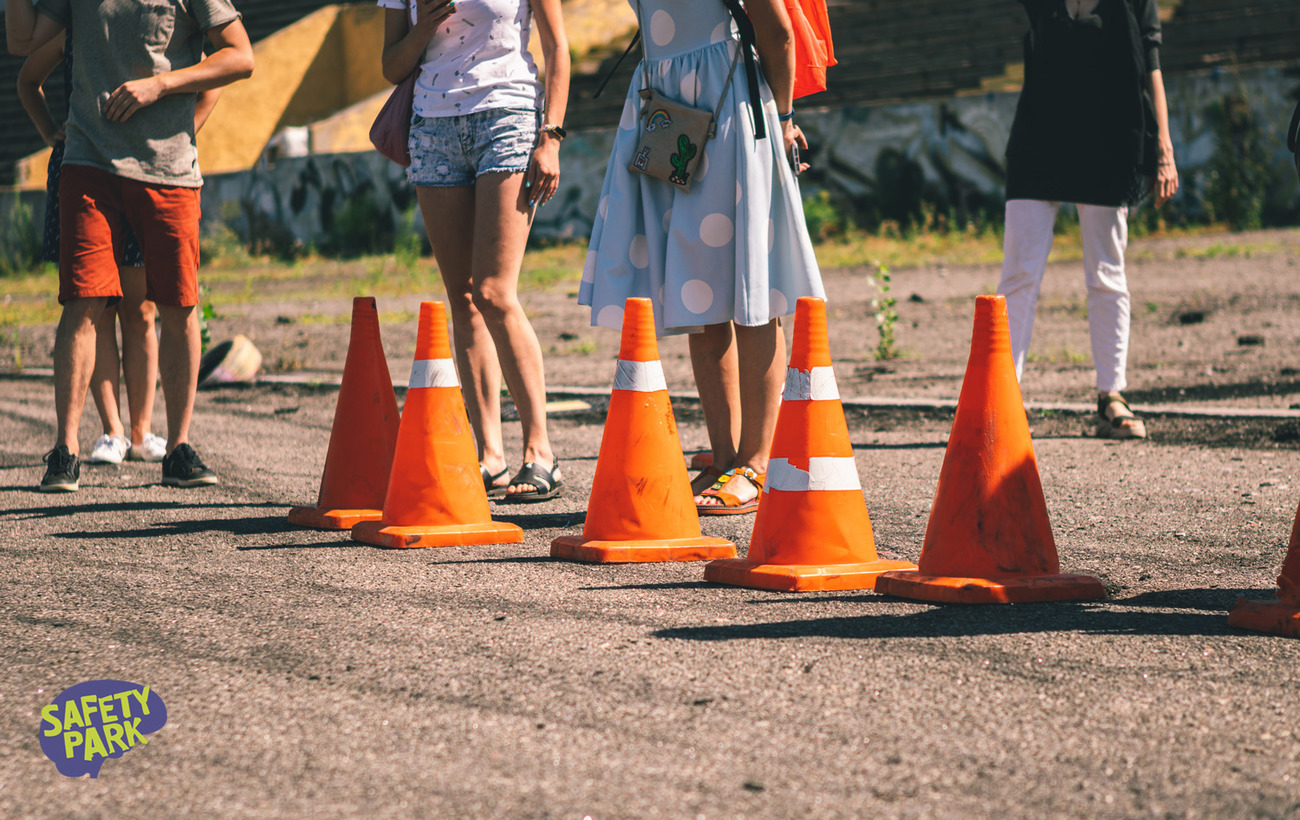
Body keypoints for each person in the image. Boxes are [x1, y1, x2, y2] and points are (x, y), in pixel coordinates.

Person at [580, 0, 823, 514]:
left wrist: (782, 118)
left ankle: (757, 463)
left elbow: (777, 32)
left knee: (750, 288)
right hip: (668, 111)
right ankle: (725, 456)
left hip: (728, 104)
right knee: (694, 285)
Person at [7, 0, 254, 492]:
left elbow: (240, 58)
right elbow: (22, 42)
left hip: (169, 173)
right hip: (88, 165)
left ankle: (178, 447)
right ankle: (66, 450)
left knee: (177, 305)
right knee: (82, 302)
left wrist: (162, 84)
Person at [378, 0, 570, 502]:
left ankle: (540, 452)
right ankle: (489, 454)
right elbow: (391, 66)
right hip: (432, 125)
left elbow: (557, 48)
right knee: (461, 297)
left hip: (507, 116)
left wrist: (550, 137)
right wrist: (422, 27)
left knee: (493, 291)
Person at [998, 0, 1178, 440]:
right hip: (1040, 141)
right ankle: (1001, 399)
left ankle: (1111, 396)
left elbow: (1151, 64)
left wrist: (1164, 147)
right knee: (1018, 274)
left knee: (1106, 273)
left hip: (1110, 140)